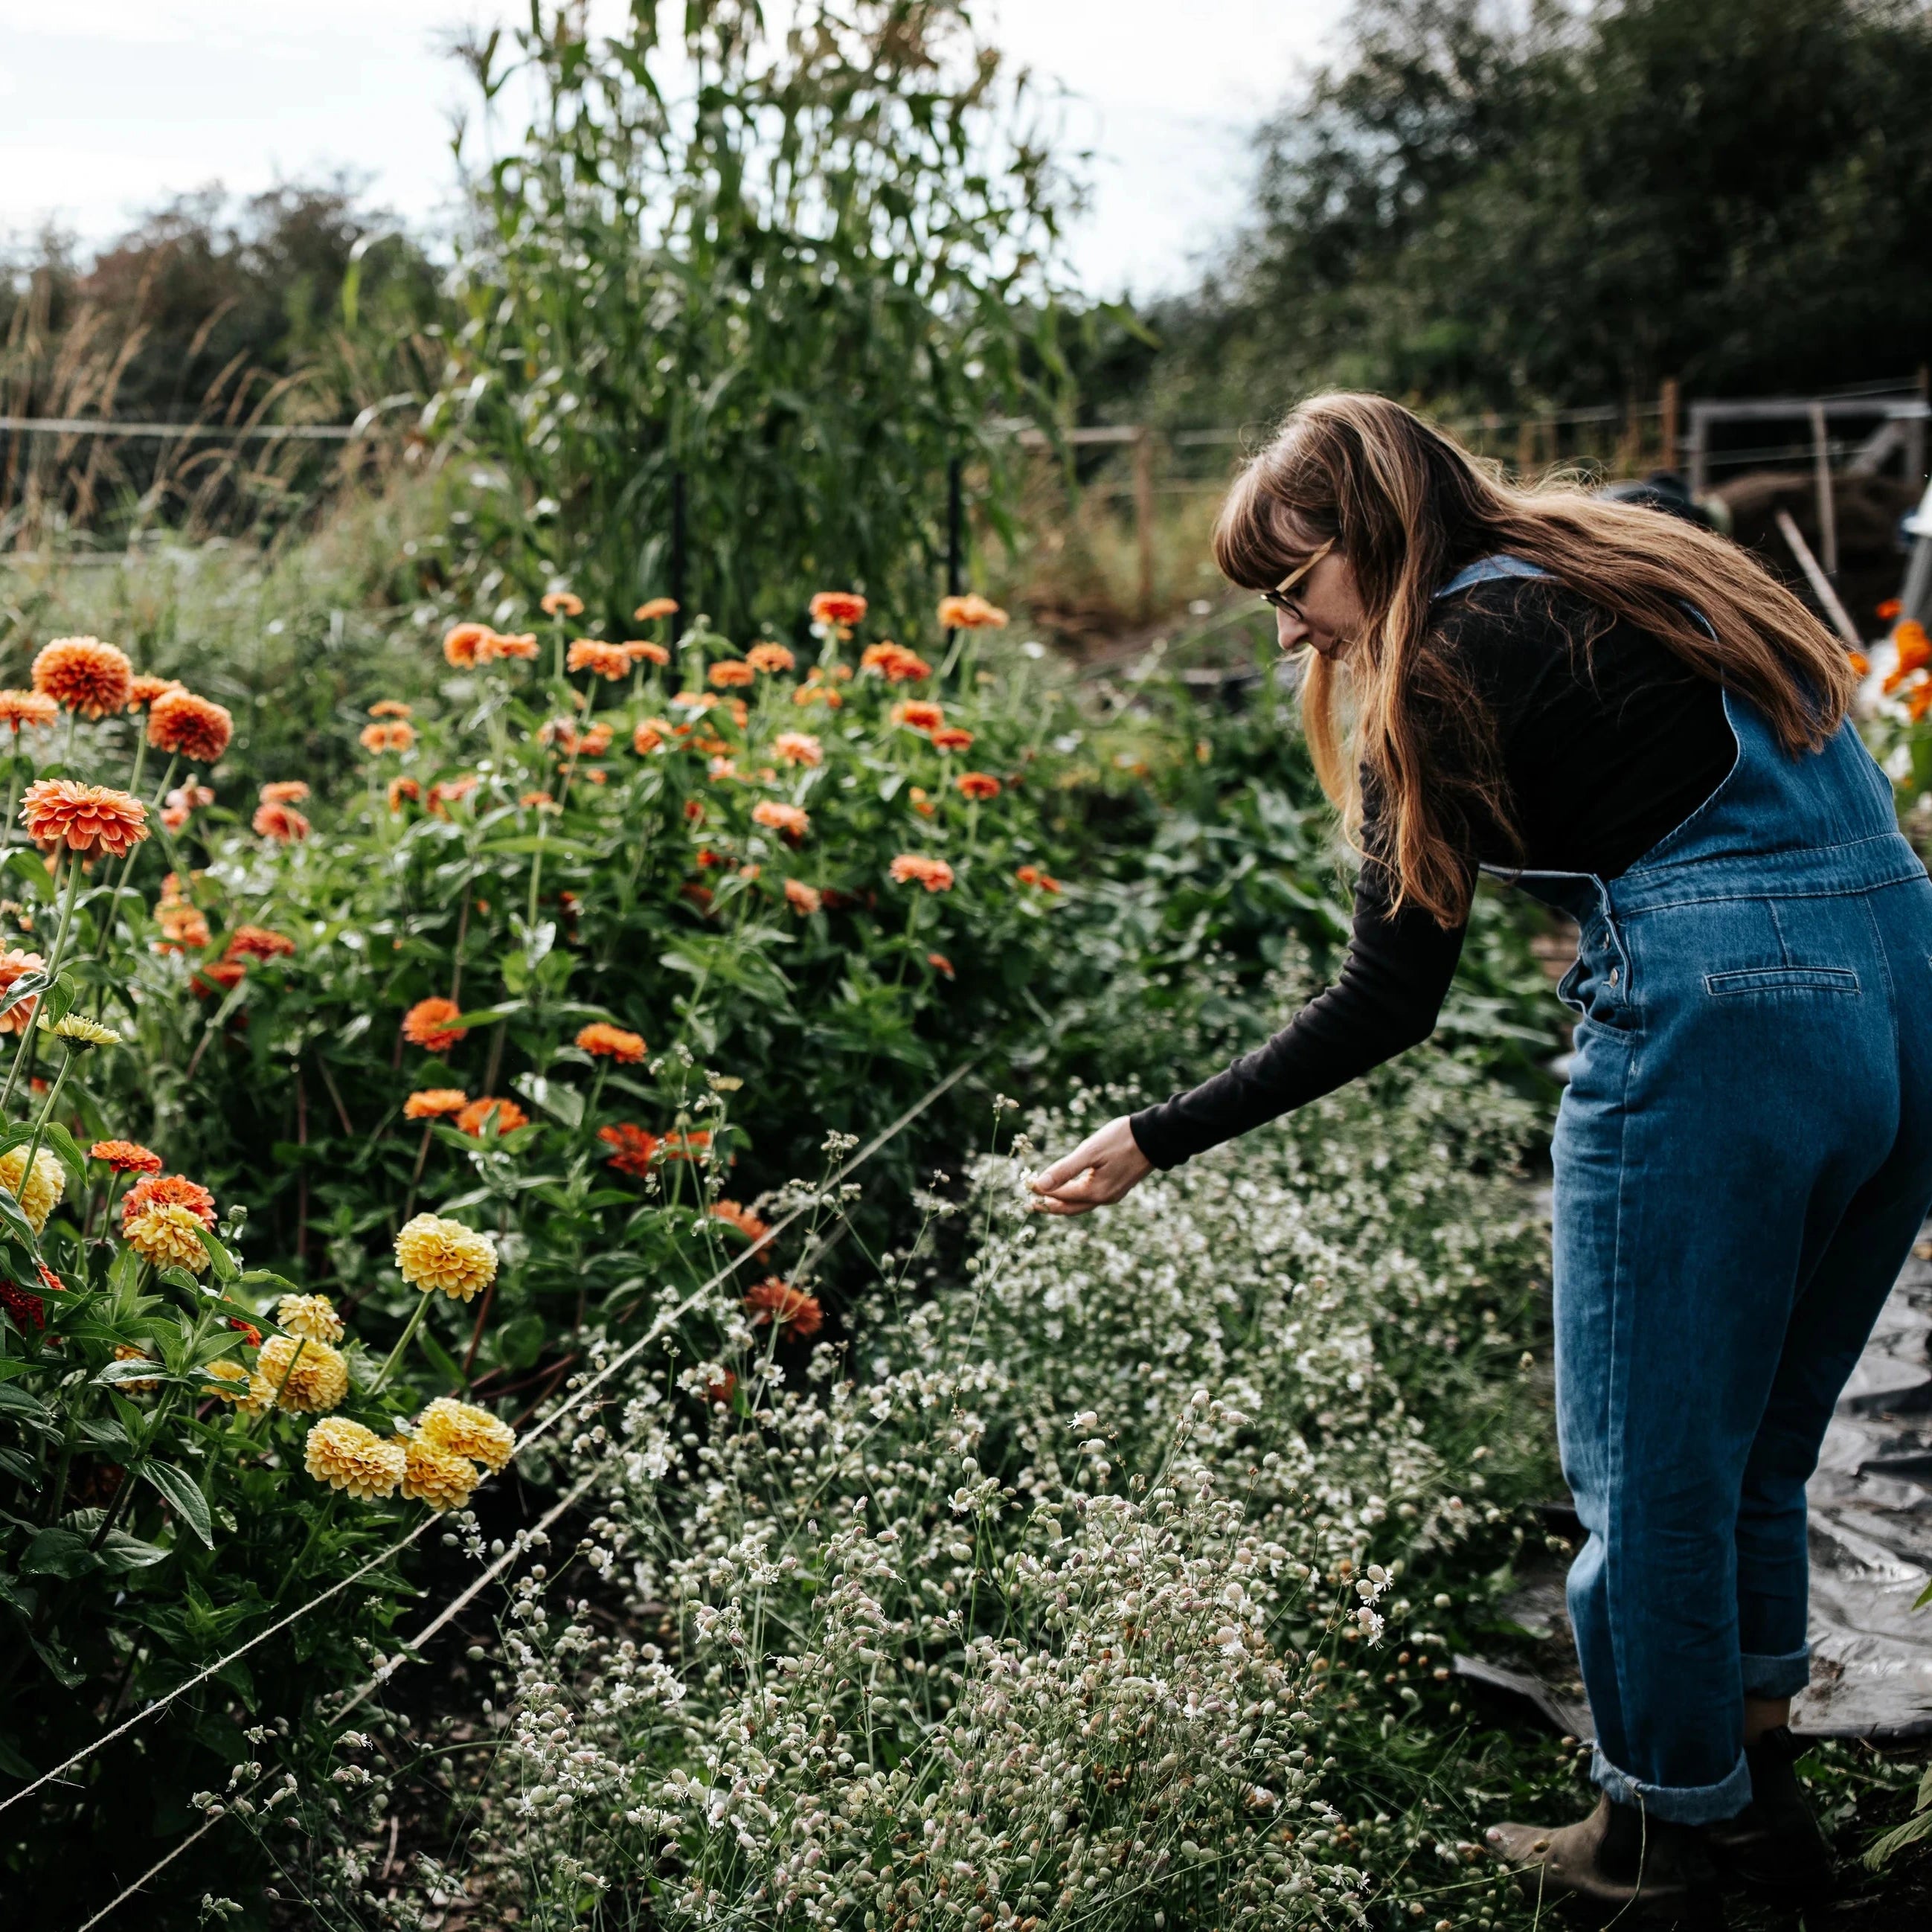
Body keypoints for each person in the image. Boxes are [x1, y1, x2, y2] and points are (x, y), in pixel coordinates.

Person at [1029, 393, 1932, 1919]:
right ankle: (1757, 1791)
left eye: (1294, 587)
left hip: (1728, 1026)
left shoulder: (1442, 660)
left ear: (1371, 541)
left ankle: (1662, 1837)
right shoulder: (1642, 555)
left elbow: (1388, 1000)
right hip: (1908, 988)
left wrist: (1155, 1136)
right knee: (1764, 1449)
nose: (1295, 634)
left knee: (1648, 1474)